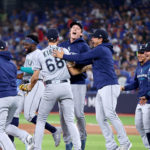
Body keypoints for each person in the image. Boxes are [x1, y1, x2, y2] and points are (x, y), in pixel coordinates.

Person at [53, 29, 132, 150]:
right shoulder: (99, 51)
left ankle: (125, 142)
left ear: (100, 39)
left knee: (110, 114)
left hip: (109, 85)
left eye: (94, 38)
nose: (91, 39)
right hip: (102, 87)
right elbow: (83, 60)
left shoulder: (101, 49)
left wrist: (63, 56)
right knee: (100, 118)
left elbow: (82, 56)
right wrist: (72, 63)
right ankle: (111, 145)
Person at [24, 28, 81, 150]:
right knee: (70, 121)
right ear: (58, 38)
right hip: (66, 86)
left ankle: (37, 148)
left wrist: (29, 87)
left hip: (51, 87)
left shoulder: (40, 54)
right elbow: (74, 65)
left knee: (41, 119)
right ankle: (78, 148)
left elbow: (34, 77)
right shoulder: (64, 50)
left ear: (46, 39)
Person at [14, 34, 62, 147]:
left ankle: (54, 130)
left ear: (34, 44)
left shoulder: (39, 53)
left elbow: (36, 70)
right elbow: (26, 73)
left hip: (36, 84)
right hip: (24, 86)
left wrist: (20, 68)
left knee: (29, 115)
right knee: (14, 113)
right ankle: (13, 143)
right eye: (24, 43)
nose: (25, 45)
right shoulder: (29, 55)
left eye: (27, 43)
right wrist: (18, 75)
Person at [59, 21, 90, 150]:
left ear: (81, 33)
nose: (75, 29)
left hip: (78, 82)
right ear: (70, 31)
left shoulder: (83, 46)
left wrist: (71, 60)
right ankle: (67, 143)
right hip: (64, 83)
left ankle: (82, 138)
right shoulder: (62, 45)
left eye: (77, 28)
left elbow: (87, 61)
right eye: (73, 28)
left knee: (78, 113)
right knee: (63, 116)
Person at [0, 40, 34, 150]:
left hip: (3, 98)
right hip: (14, 99)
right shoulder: (12, 64)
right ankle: (26, 137)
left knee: (0, 131)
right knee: (6, 127)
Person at [121, 44, 150, 149]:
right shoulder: (139, 68)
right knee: (139, 126)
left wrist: (147, 96)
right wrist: (124, 88)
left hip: (148, 101)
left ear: (146, 54)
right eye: (139, 53)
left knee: (147, 128)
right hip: (141, 101)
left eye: (143, 53)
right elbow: (135, 84)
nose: (140, 55)